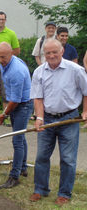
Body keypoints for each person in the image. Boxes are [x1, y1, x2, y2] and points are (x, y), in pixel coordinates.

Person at [29, 39, 87, 206]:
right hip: (47, 119)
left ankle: (64, 193)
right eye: (48, 53)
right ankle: (40, 189)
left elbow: (86, 91)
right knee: (41, 156)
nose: (52, 55)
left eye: (55, 52)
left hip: (69, 119)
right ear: (44, 55)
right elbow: (38, 98)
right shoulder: (39, 72)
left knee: (68, 159)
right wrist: (39, 118)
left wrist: (85, 111)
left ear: (62, 51)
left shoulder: (75, 70)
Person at [0, 42, 33, 189]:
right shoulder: (6, 63)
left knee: (17, 141)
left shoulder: (16, 71)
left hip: (23, 105)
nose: (0, 60)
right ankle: (23, 167)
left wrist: (4, 114)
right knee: (20, 138)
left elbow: (16, 100)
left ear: (11, 54)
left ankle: (14, 176)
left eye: (3, 57)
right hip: (17, 103)